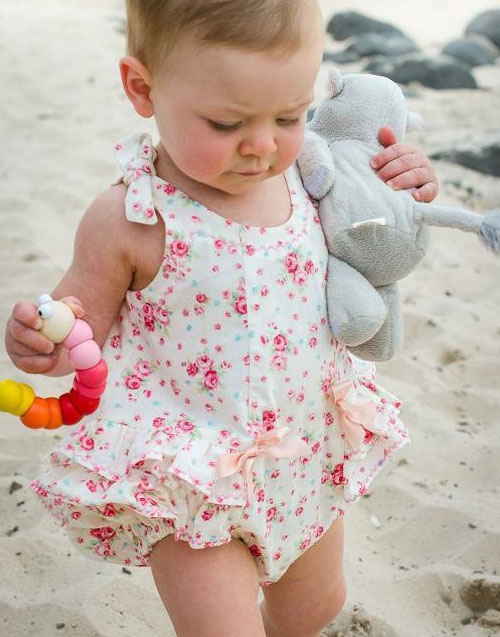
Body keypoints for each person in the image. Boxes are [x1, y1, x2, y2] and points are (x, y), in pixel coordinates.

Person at [5, 1, 439, 635]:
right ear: (142, 88)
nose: (263, 146)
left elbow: (384, 227)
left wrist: (411, 181)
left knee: (315, 607)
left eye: (290, 115)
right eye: (226, 122)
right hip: (191, 474)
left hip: (302, 450)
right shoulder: (132, 217)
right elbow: (78, 332)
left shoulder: (314, 177)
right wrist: (43, 338)